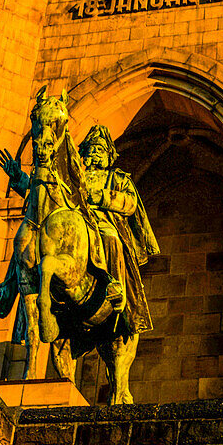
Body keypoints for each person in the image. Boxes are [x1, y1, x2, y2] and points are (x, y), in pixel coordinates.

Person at [78, 125, 159, 334]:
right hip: (76, 219)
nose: (95, 154)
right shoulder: (75, 175)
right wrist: (21, 182)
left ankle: (114, 284)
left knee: (111, 237)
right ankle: (9, 289)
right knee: (30, 236)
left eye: (100, 149)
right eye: (92, 149)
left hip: (104, 222)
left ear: (108, 155)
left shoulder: (118, 178)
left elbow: (131, 203)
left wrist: (103, 197)